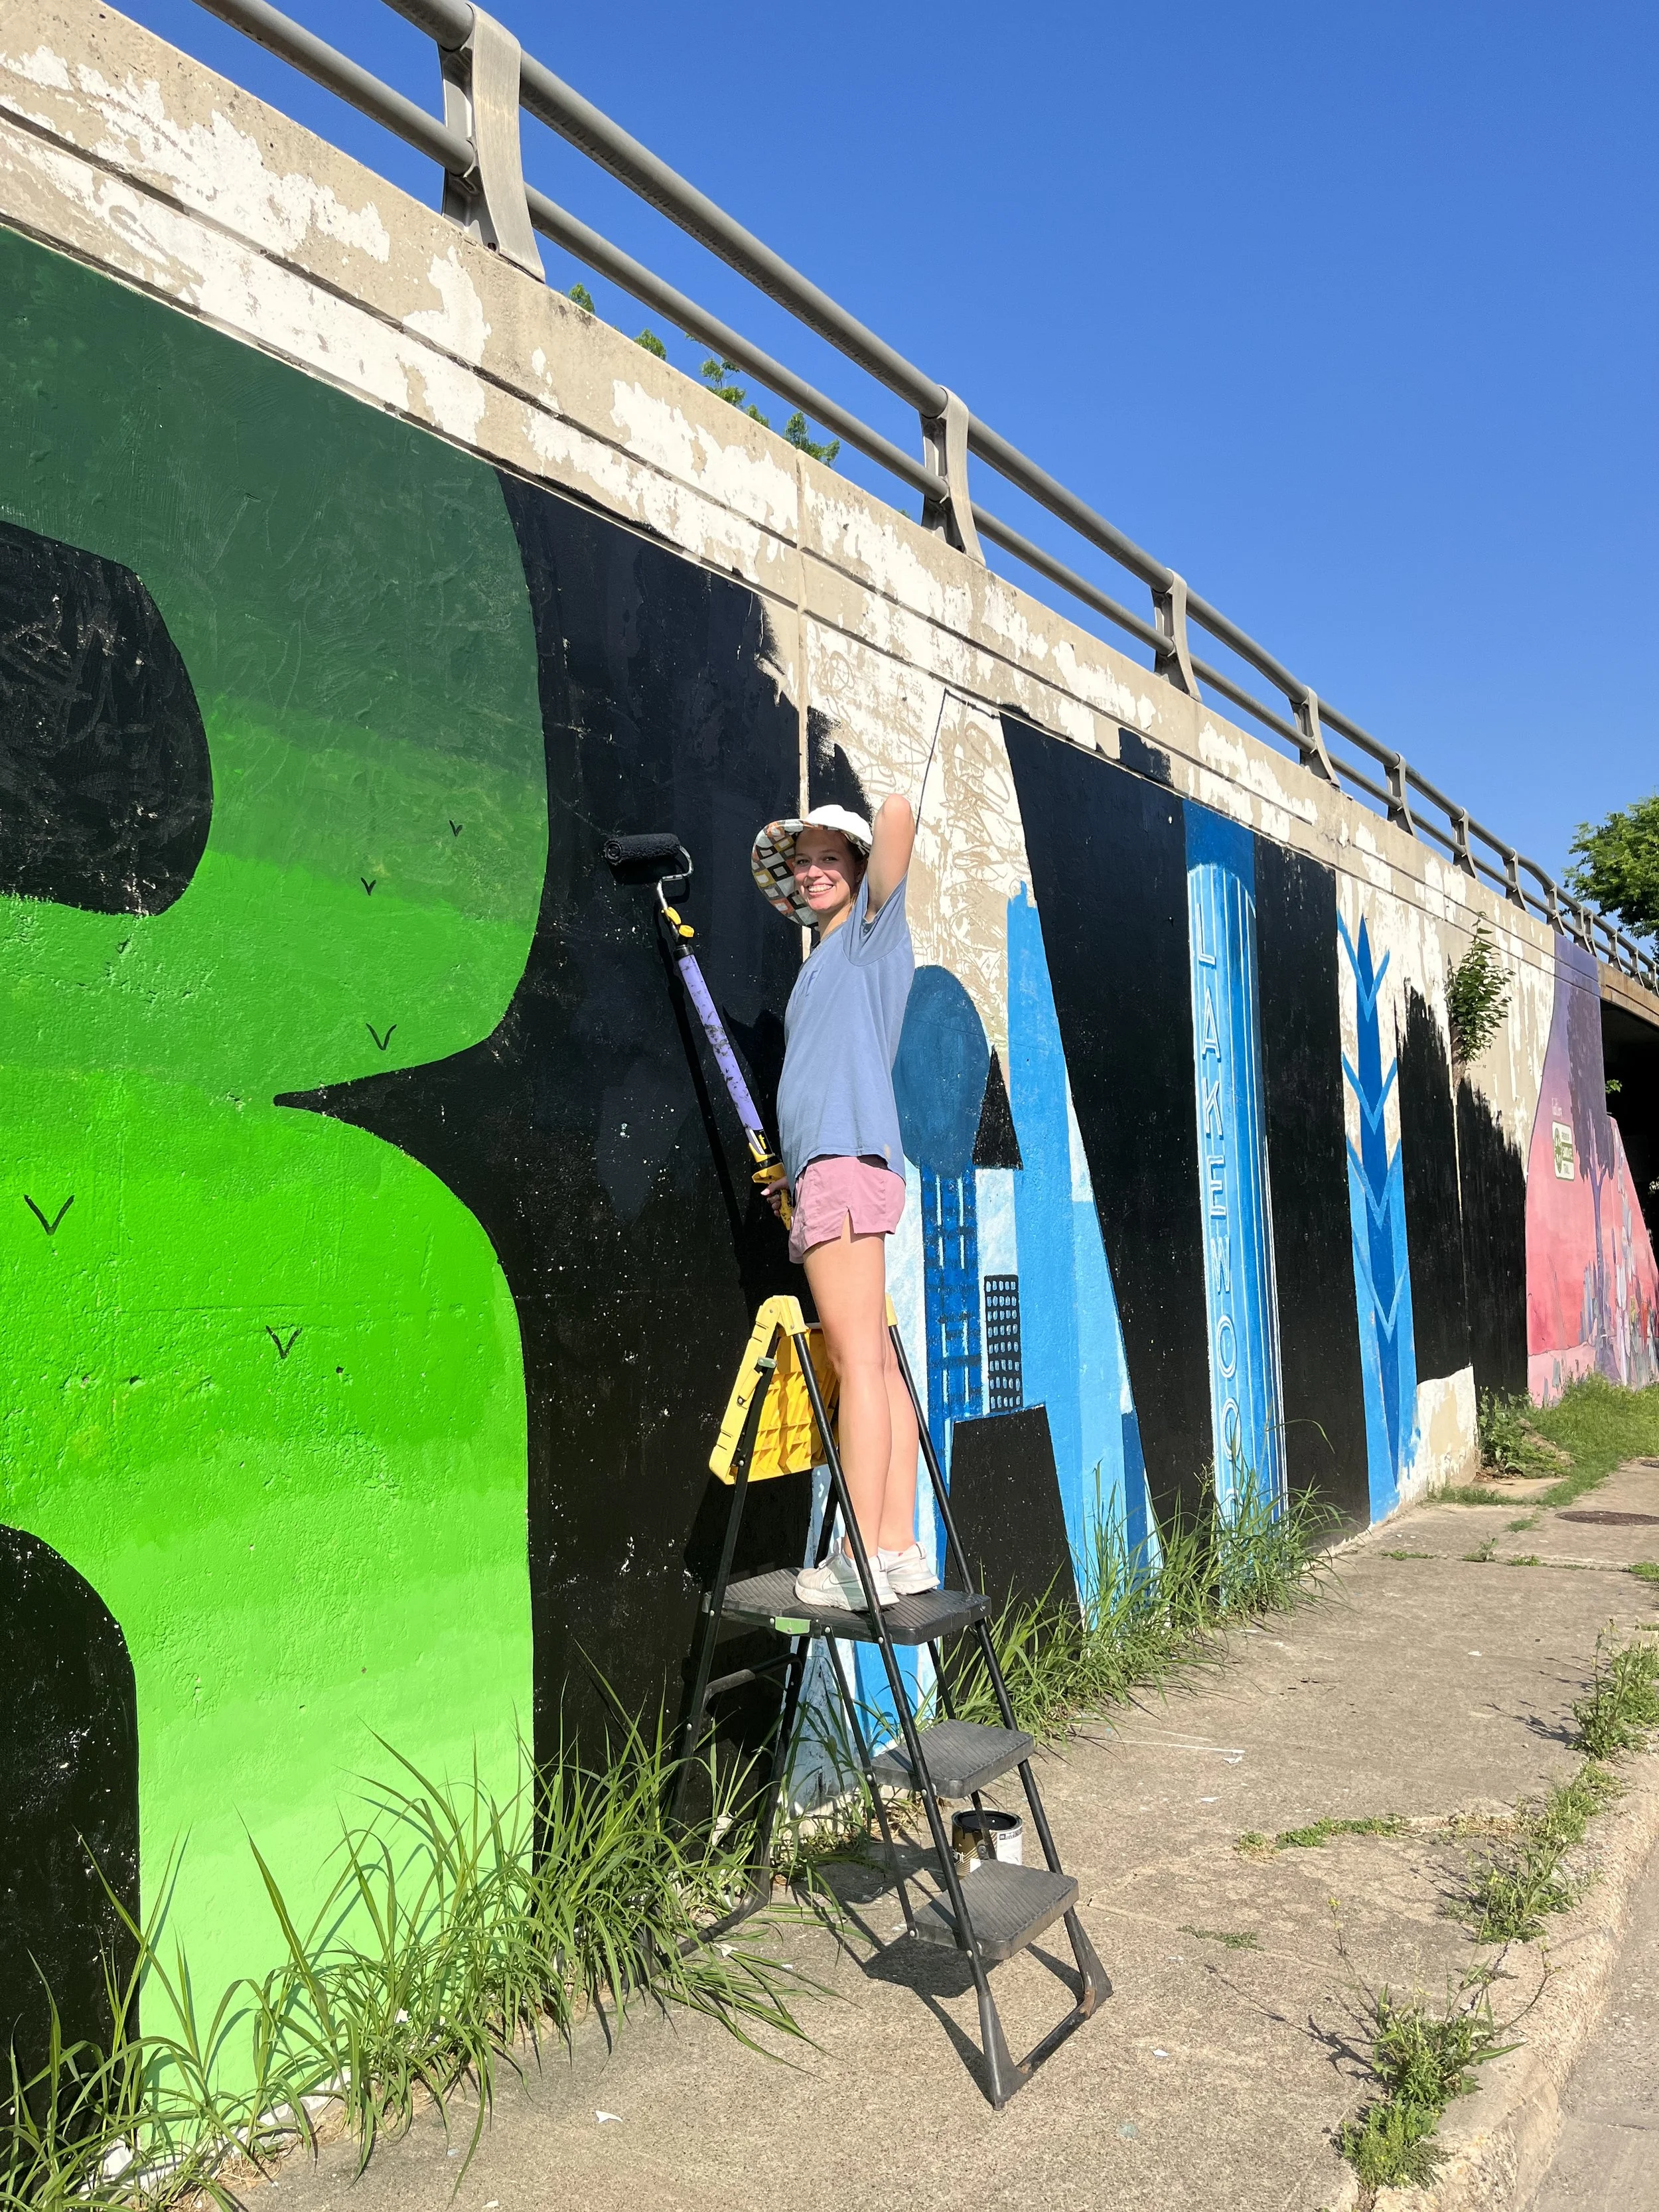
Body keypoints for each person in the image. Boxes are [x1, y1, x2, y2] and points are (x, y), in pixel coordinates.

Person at [749, 797, 935, 1610]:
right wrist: (797, 1168)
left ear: (858, 870)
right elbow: (829, 1075)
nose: (812, 868)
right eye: (801, 860)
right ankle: (897, 1550)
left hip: (846, 1168)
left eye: (830, 855)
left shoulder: (869, 934)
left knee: (857, 1365)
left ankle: (856, 1557)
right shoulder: (825, 960)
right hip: (833, 1166)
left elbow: (895, 820)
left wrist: (865, 829)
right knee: (880, 1366)